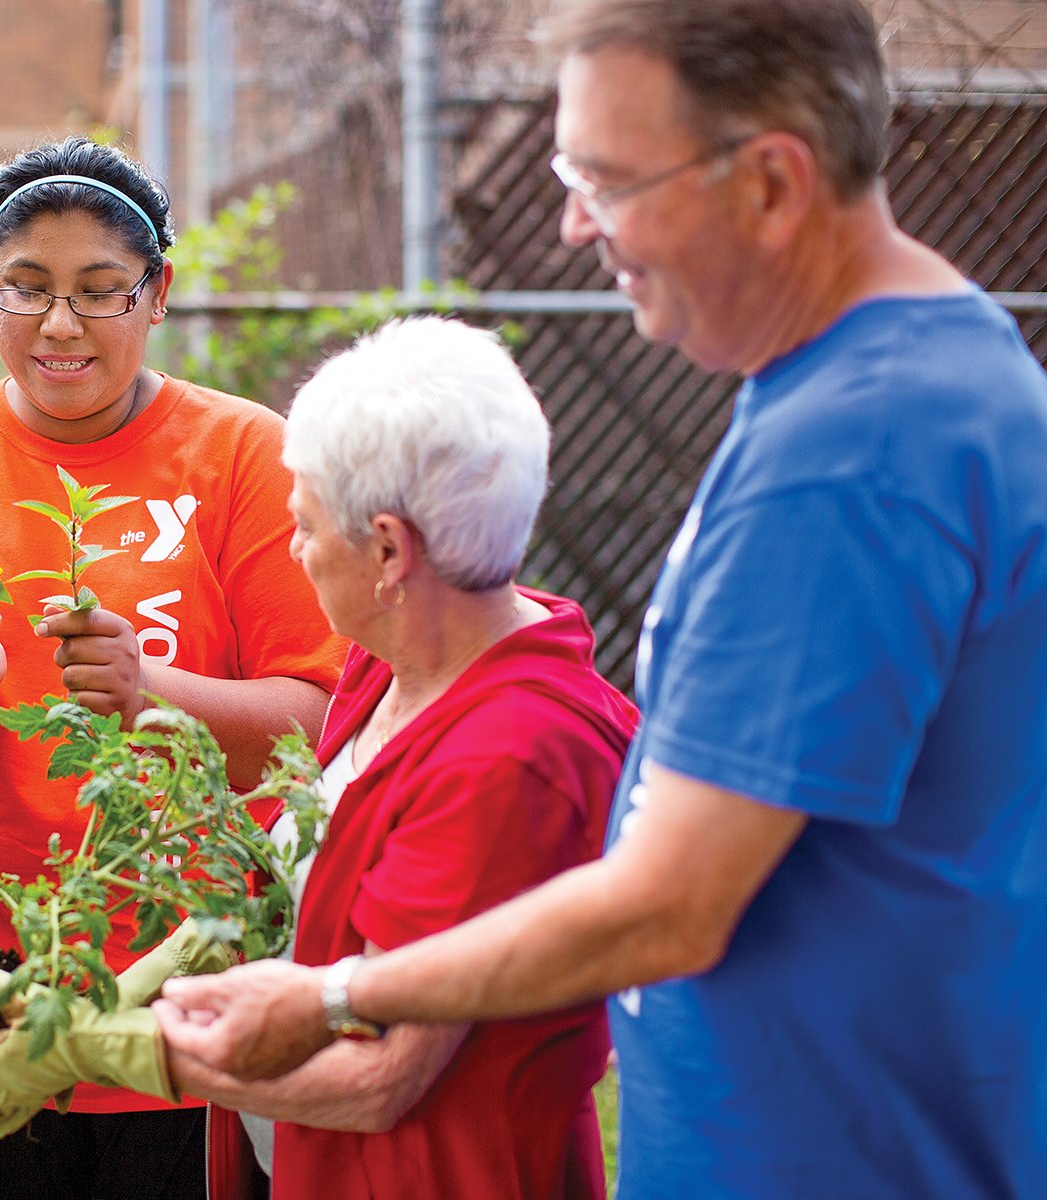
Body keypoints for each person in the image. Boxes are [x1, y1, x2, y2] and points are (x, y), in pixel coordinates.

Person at [153, 3, 1047, 1198]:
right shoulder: (907, 379)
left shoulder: (855, 456)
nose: (575, 222)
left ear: (773, 184)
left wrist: (332, 992)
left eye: (608, 179)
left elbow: (668, 904)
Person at [0, 315, 638, 1200]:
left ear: (391, 552)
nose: (294, 550)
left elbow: (384, 1078)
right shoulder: (394, 663)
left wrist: (125, 1052)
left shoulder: (511, 757)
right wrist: (164, 974)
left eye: (308, 527)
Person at [0, 135, 346, 1199]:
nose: (61, 325)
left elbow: (320, 725)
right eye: (28, 288)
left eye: (101, 291)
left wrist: (154, 692)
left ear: (158, 296)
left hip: (187, 990)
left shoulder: (248, 457)